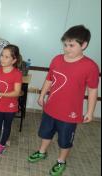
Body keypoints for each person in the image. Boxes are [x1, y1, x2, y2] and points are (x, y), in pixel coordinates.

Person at [27, 25, 100, 176]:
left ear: (84, 45)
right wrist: (42, 95)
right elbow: (49, 79)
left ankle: (61, 161)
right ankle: (42, 152)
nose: (67, 49)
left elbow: (92, 90)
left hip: (70, 114)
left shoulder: (91, 66)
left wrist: (90, 111)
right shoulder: (57, 59)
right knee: (46, 133)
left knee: (65, 140)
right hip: (51, 108)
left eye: (72, 45)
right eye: (65, 44)